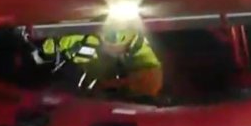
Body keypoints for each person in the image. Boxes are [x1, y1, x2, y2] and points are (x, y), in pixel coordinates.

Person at [35, 27, 163, 99]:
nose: (114, 49)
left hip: (88, 98)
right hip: (70, 82)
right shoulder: (81, 40)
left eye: (120, 47)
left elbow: (150, 77)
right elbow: (48, 49)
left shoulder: (137, 48)